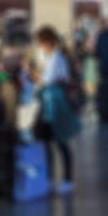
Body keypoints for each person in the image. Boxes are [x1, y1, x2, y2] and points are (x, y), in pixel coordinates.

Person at [34, 27, 79, 194]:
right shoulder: (53, 57)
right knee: (50, 141)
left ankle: (66, 179)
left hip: (56, 103)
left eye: (40, 43)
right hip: (52, 102)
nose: (39, 46)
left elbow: (48, 80)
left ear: (47, 42)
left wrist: (34, 76)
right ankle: (52, 177)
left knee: (60, 141)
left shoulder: (56, 59)